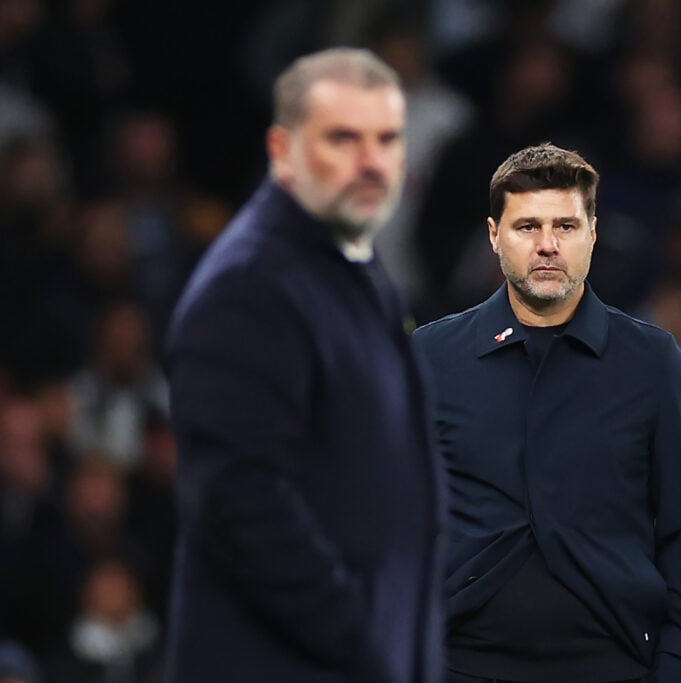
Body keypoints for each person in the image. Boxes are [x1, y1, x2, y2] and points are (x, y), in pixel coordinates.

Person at [164, 48, 444, 683]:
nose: (371, 162)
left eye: (387, 139)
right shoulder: (249, 286)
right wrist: (361, 637)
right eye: (343, 139)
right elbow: (241, 501)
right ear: (282, 150)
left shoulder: (353, 272)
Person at [412, 143, 681, 683]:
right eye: (528, 226)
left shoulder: (651, 364)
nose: (548, 245)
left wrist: (678, 665)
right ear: (494, 235)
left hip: (613, 666)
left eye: (566, 226)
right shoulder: (432, 358)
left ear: (593, 233)